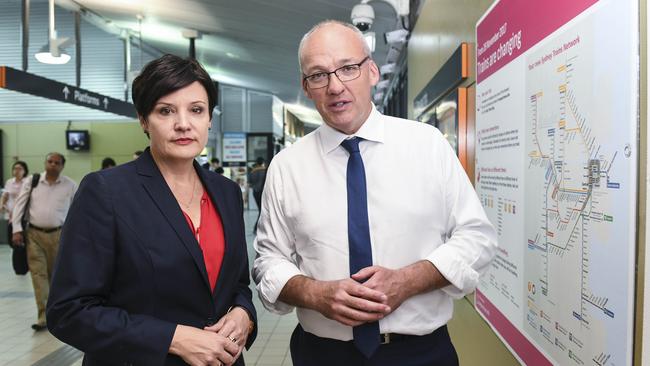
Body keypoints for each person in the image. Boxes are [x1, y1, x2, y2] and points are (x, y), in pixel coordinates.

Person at [252, 21, 497, 366]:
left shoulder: (427, 145)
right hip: (323, 354)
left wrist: (409, 281)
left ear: (372, 72)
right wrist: (315, 293)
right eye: (319, 75)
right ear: (306, 88)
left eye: (348, 68)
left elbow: (477, 238)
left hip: (420, 353)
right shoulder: (287, 166)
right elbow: (268, 260)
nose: (335, 86)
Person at [47, 54, 257, 366]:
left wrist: (244, 315)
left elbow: (237, 284)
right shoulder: (107, 192)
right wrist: (173, 338)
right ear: (144, 120)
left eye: (196, 110)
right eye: (165, 111)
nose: (183, 124)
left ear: (209, 118)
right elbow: (69, 311)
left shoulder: (226, 192)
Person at [11, 153, 76, 331]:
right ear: (45, 163)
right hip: (34, 235)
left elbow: (77, 211)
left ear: (62, 166)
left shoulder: (70, 185)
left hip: (59, 235)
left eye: (57, 163)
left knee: (56, 276)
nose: (52, 165)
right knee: (39, 276)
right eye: (50, 161)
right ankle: (43, 317)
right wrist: (16, 229)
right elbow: (19, 204)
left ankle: (57, 312)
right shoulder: (33, 181)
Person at [2, 161, 29, 245]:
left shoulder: (28, 182)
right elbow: (5, 195)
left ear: (25, 171)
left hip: (24, 216)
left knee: (23, 241)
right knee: (12, 242)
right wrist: (1, 204)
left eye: (19, 169)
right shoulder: (9, 182)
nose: (16, 171)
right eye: (15, 168)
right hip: (11, 215)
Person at [247, 157, 267, 232]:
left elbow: (249, 184)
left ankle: (258, 228)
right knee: (262, 210)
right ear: (262, 163)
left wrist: (245, 196)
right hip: (263, 192)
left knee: (261, 209)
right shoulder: (265, 171)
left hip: (255, 192)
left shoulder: (252, 172)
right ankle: (257, 227)